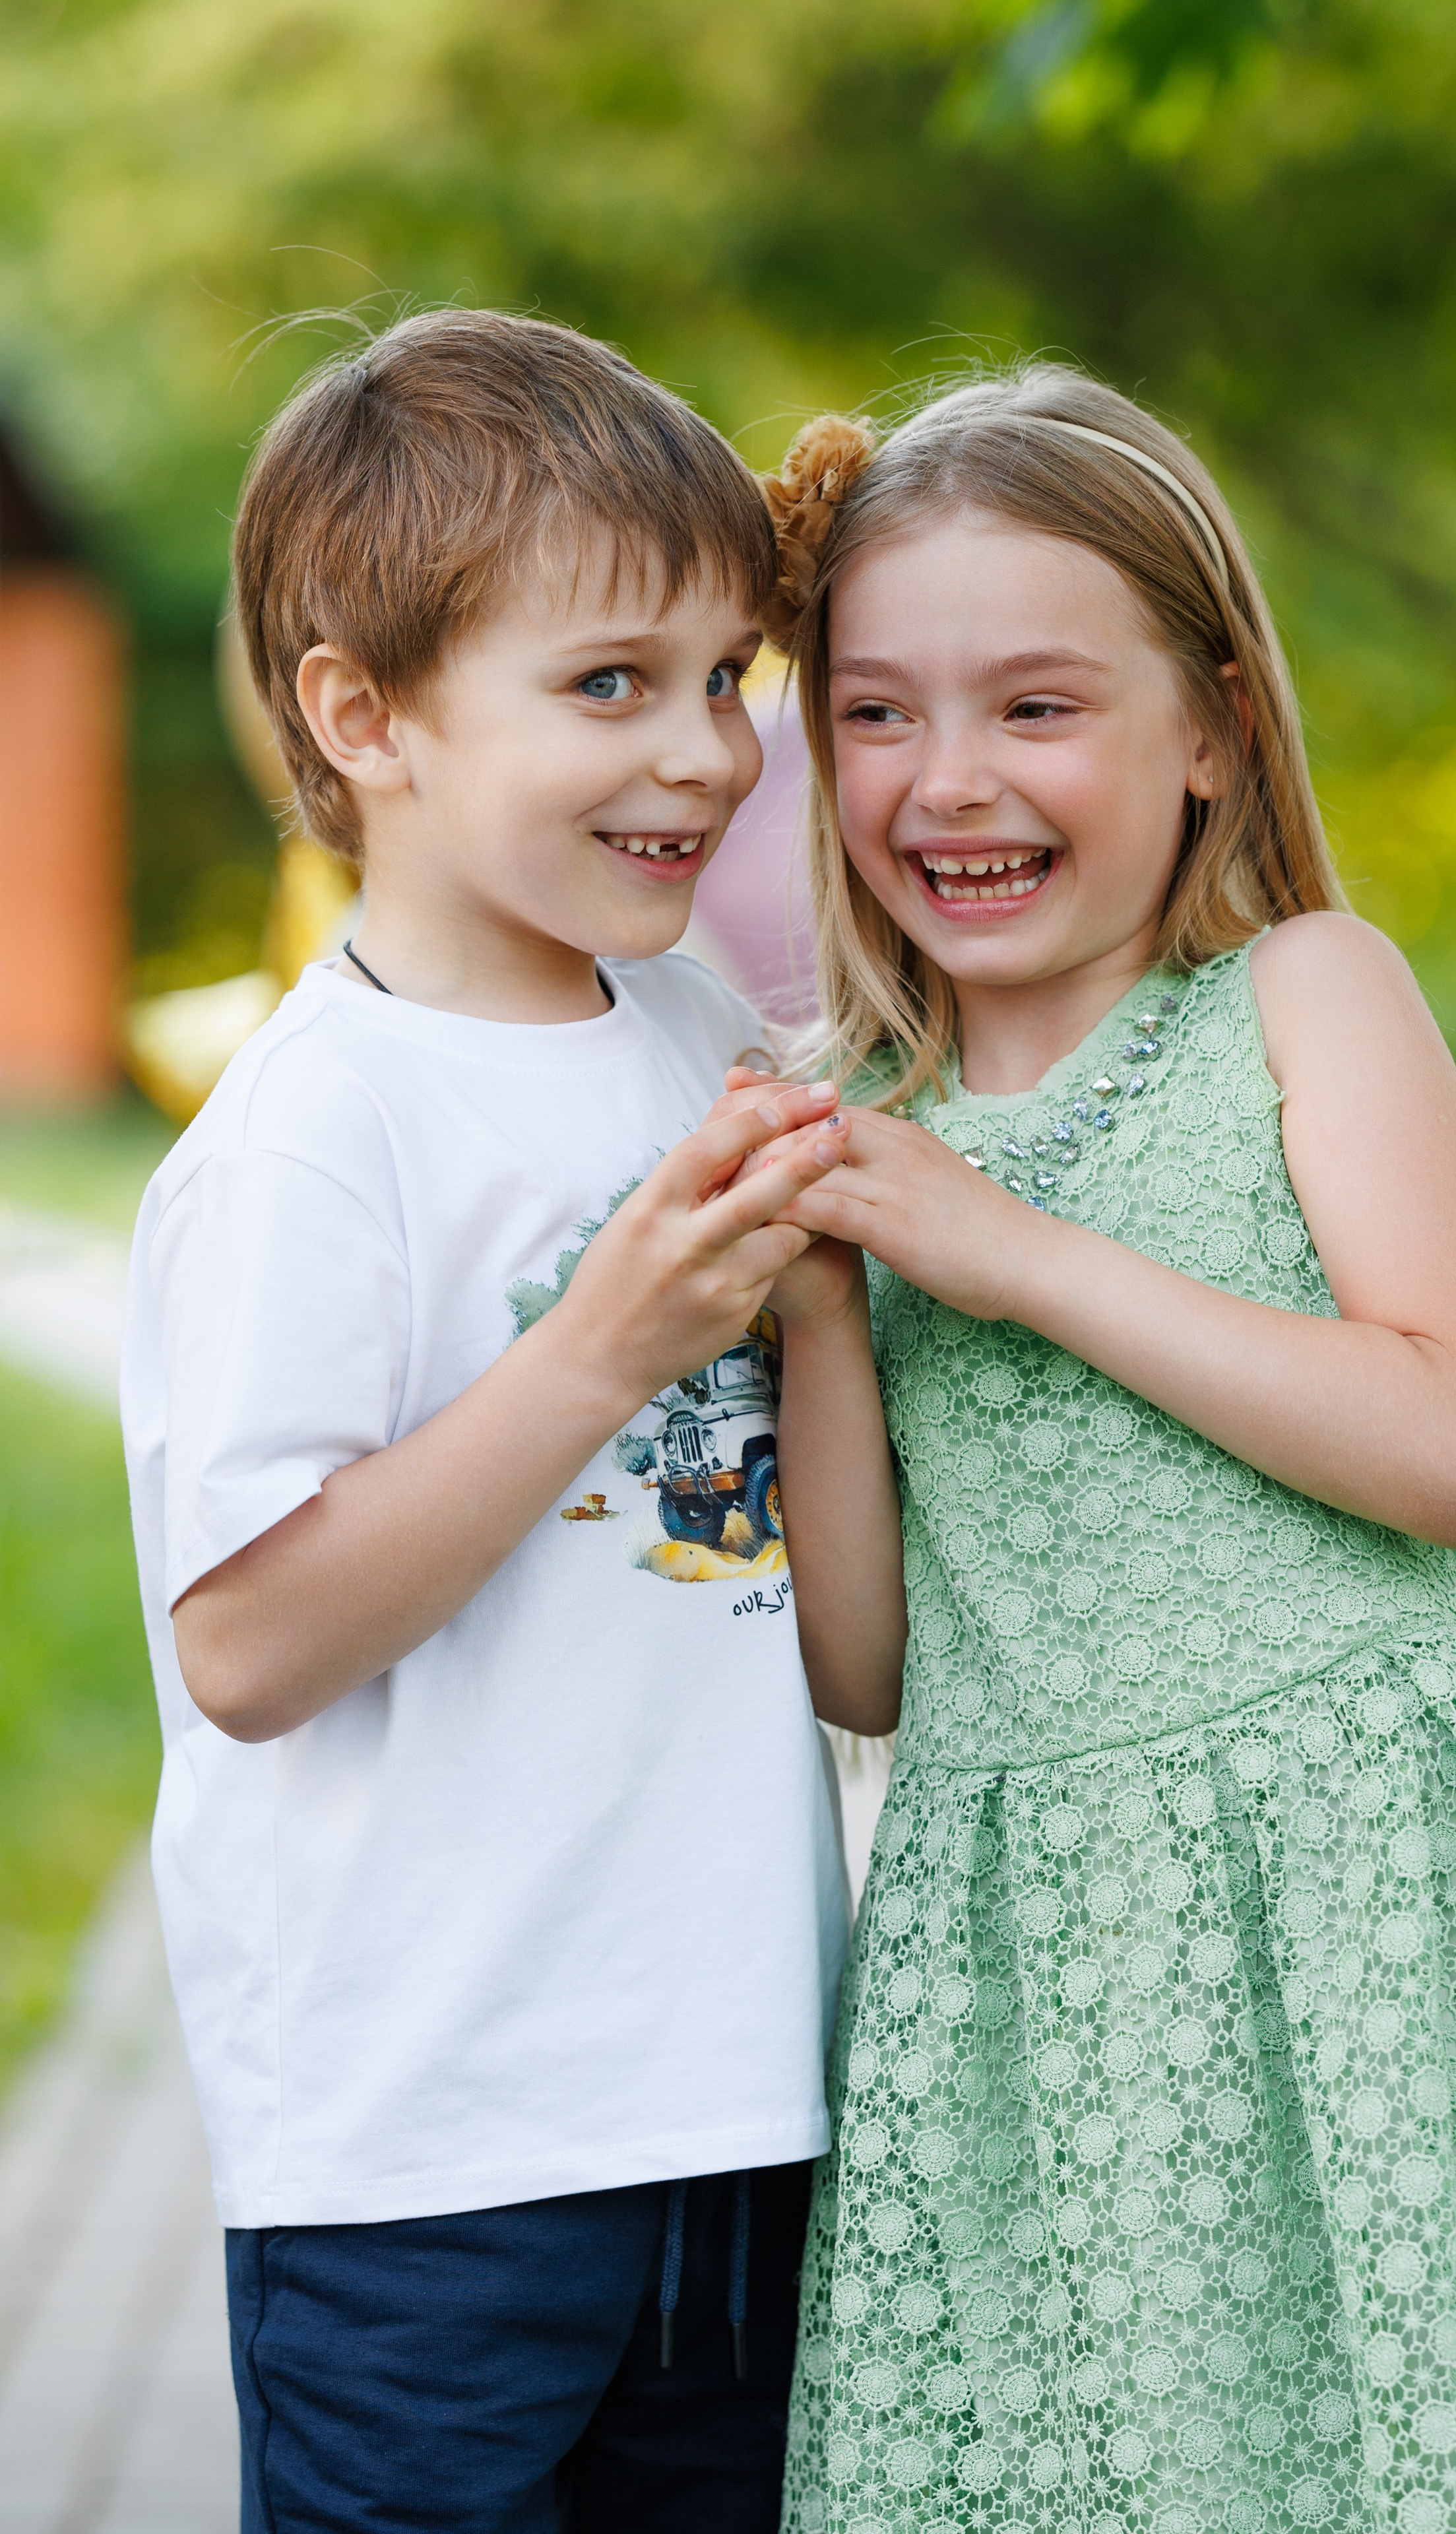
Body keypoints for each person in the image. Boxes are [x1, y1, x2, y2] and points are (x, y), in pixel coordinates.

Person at [747, 371, 1456, 2533]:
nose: (949, 780)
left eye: (1039, 709)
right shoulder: (858, 1126)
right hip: (1033, 1961)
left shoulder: (1300, 996)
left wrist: (1018, 1257)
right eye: (877, 714)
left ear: (1214, 729)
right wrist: (822, 1300)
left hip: (1372, 1892)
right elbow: (872, 1672)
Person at [119, 309, 854, 2534]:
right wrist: (597, 1352)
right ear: (367, 719)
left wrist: (818, 1313)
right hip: (428, 2153)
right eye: (612, 684)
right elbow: (245, 1649)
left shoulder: (696, 1024)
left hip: (739, 2107)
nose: (709, 753)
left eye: (729, 676)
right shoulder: (306, 1141)